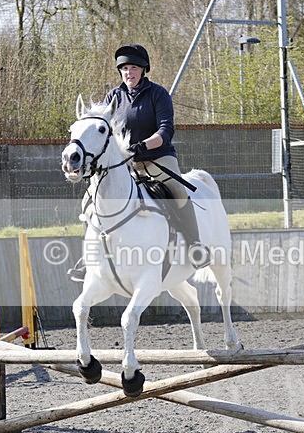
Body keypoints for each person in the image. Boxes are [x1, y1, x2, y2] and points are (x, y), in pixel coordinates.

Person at [69, 44, 209, 282]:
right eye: (124, 68)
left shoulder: (158, 94)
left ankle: (195, 246)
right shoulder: (113, 97)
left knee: (178, 191)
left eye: (133, 68)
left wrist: (144, 145)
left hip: (157, 157)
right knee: (90, 199)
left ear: (143, 70)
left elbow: (166, 129)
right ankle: (88, 258)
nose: (128, 73)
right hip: (124, 163)